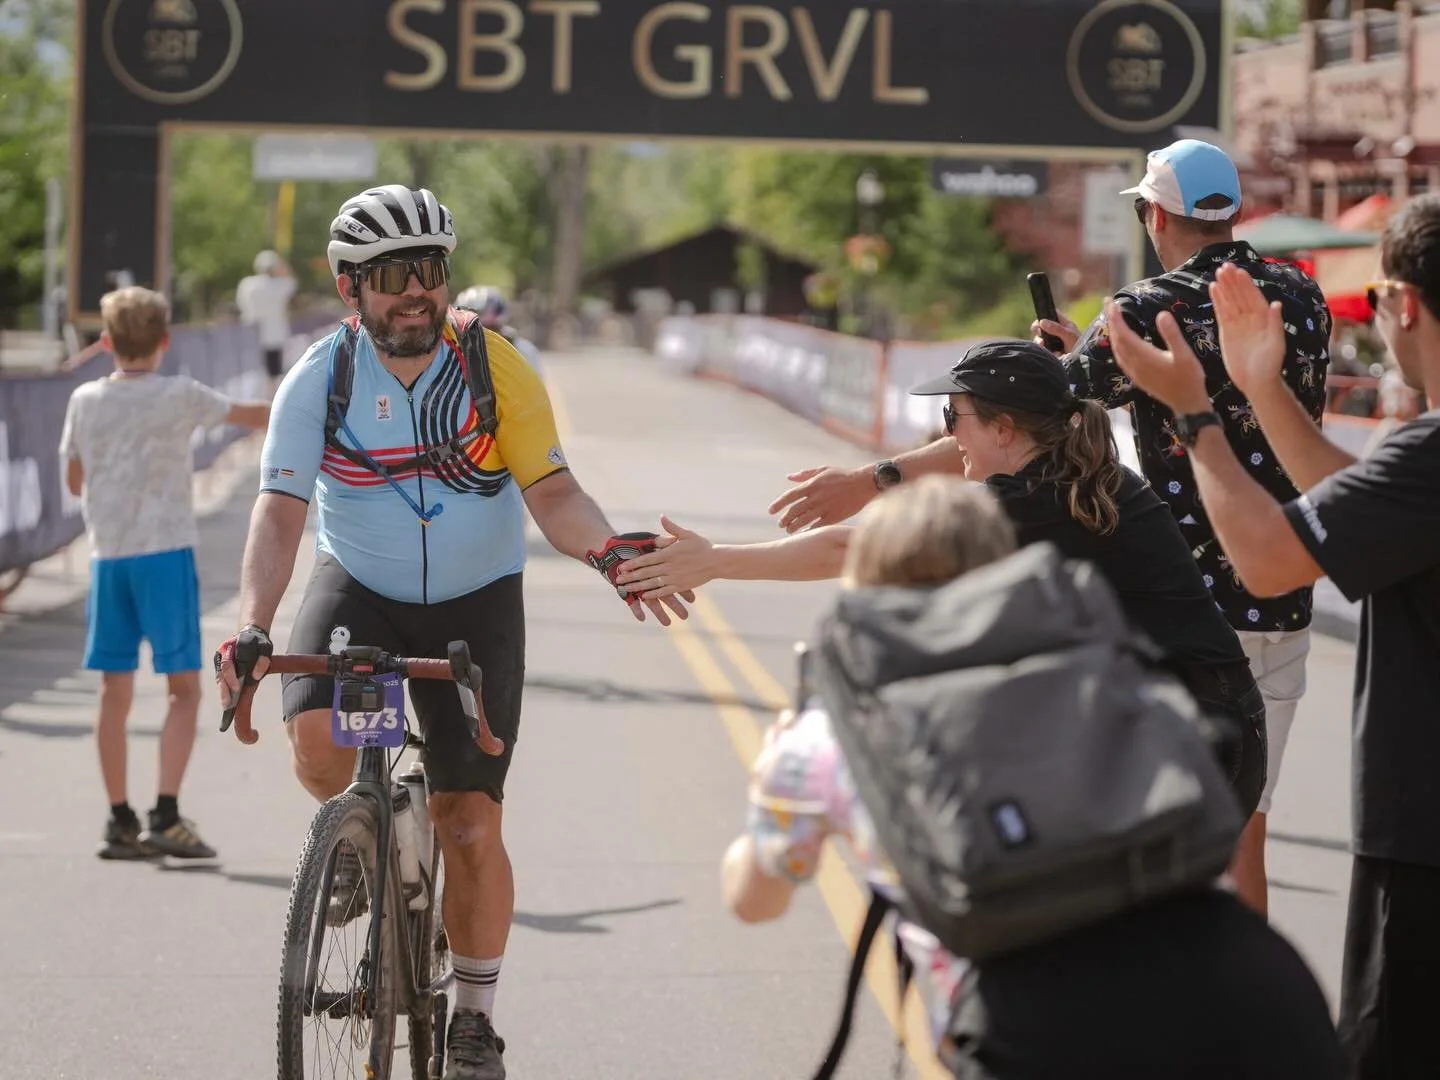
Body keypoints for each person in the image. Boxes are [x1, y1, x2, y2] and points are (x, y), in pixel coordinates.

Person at [768, 140, 1330, 914]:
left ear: (1155, 214)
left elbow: (1020, 421)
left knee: (1161, 833)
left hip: (1188, 604)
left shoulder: (1144, 308)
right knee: (1245, 830)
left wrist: (875, 479)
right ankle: (1246, 1013)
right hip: (1284, 594)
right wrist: (1089, 365)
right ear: (1231, 214)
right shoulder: (1304, 298)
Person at [212, 185, 692, 1080]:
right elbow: (278, 513)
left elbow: (553, 493)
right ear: (349, 285)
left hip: (476, 599)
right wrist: (250, 625)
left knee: (469, 822)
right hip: (360, 587)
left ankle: (473, 1015)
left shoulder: (493, 366)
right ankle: (374, 829)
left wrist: (607, 554)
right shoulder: (320, 377)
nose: (415, 293)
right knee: (317, 749)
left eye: (429, 271)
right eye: (391, 276)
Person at [722, 475, 1343, 1079]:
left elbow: (755, 899)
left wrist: (772, 778)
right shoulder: (1103, 667)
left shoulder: (827, 739)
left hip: (1041, 1037)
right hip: (1255, 993)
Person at [618, 340, 1270, 869]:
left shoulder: (1032, 502)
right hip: (1186, 725)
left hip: (1192, 736)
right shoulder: (1065, 476)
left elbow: (854, 548)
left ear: (1005, 428)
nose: (948, 435)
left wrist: (719, 560)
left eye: (953, 418)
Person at [1102, 193, 1440, 1080]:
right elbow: (1353, 506)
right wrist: (1257, 385)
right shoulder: (1419, 469)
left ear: (1402, 305)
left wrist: (1195, 416)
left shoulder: (1429, 456)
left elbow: (1268, 558)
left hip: (1424, 844)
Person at [59, 286, 270, 861]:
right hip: (166, 552)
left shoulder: (84, 400)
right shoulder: (178, 394)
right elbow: (249, 417)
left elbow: (75, 480)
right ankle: (167, 813)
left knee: (114, 691)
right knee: (182, 689)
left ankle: (118, 818)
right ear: (165, 341)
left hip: (109, 559)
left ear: (105, 342)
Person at [236, 250, 297, 391]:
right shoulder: (280, 285)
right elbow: (292, 281)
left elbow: (241, 305)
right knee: (274, 376)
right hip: (274, 336)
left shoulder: (247, 285)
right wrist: (283, 265)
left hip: (251, 336)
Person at [455, 285, 542, 377]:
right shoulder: (448, 351)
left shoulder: (524, 351)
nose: (480, 338)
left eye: (490, 329)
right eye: (471, 331)